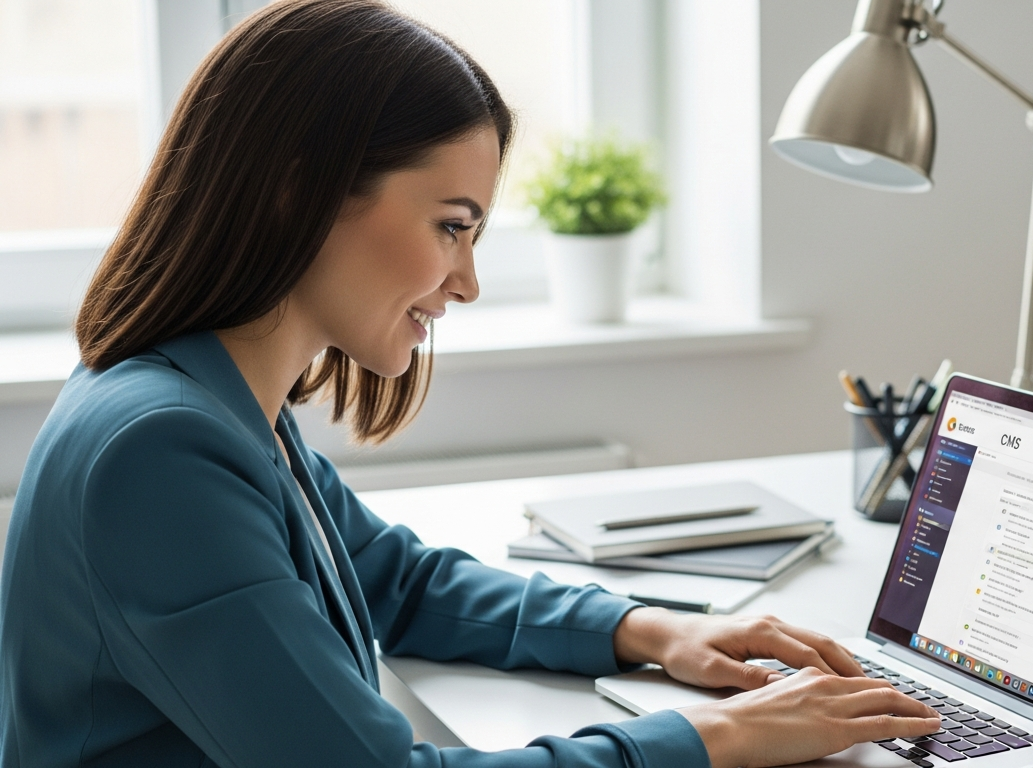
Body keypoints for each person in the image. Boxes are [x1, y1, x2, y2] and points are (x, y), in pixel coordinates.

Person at [0, 1, 943, 766]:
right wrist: (715, 738)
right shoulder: (162, 453)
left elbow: (396, 583)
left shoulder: (213, 400)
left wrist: (649, 630)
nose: (468, 282)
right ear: (299, 190)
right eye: (452, 225)